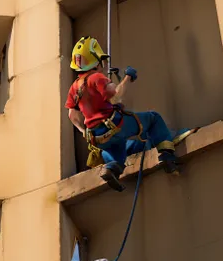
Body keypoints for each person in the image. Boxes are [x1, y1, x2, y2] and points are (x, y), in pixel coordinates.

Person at [65, 36, 185, 192]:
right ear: (95, 60)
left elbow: (72, 115)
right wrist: (128, 77)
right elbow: (115, 97)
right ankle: (167, 157)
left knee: (118, 147)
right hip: (114, 126)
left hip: (97, 138)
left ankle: (112, 169)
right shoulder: (96, 78)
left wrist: (84, 131)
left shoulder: (74, 88)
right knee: (153, 119)